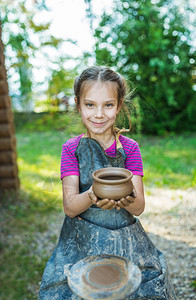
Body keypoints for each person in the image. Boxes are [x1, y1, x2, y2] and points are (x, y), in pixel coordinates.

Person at [38, 66, 176, 299]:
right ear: (78, 104)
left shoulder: (130, 148)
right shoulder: (71, 149)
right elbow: (70, 207)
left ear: (119, 105)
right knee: (68, 289)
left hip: (127, 240)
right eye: (90, 105)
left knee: (146, 285)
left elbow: (139, 206)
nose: (99, 114)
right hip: (80, 241)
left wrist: (127, 199)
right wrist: (93, 194)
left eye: (108, 105)